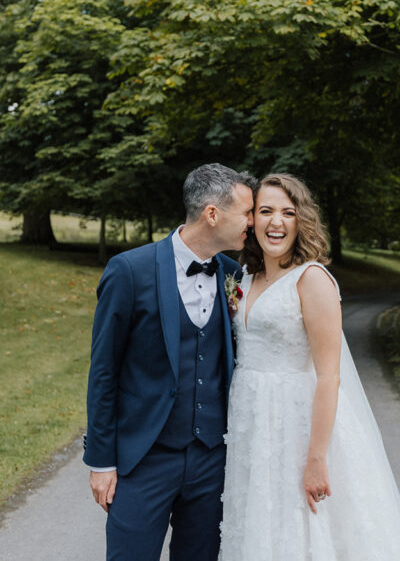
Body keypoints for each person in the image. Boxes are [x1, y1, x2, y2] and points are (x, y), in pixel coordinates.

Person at [219, 173, 400, 560]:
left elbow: (329, 376)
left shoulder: (312, 280)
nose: (276, 222)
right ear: (251, 220)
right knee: (259, 523)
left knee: (306, 529)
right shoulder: (244, 276)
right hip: (252, 423)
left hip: (297, 425)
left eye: (287, 212)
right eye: (265, 211)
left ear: (301, 221)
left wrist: (316, 459)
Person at [84, 163, 255, 561]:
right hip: (143, 459)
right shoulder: (129, 270)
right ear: (212, 214)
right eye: (246, 212)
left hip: (213, 461)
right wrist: (101, 461)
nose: (251, 222)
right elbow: (104, 372)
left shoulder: (234, 274)